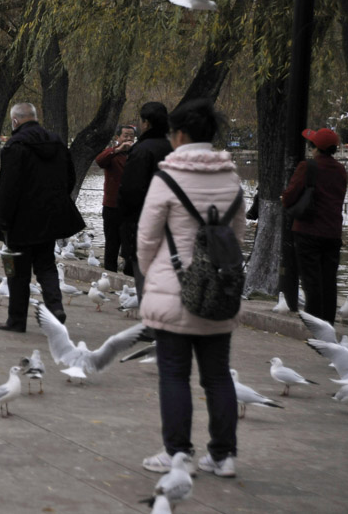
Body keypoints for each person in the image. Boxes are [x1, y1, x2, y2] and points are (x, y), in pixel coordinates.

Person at [137, 98, 243, 478]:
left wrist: (155, 278)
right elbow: (236, 235)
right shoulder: (231, 178)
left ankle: (177, 453)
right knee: (218, 375)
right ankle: (224, 455)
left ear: (179, 134)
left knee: (174, 374)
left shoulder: (167, 178)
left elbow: (146, 239)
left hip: (173, 289)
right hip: (219, 294)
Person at [0, 103, 85, 333]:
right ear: (35, 118)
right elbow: (70, 177)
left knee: (18, 272)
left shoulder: (14, 146)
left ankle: (17, 320)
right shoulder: (56, 142)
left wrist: (3, 222)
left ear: (15, 121)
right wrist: (55, 200)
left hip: (21, 220)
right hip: (49, 218)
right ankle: (55, 308)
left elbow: (8, 188)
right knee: (46, 266)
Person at [282, 127, 347, 323]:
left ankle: (313, 323)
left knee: (311, 281)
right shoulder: (341, 170)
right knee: (329, 281)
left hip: (307, 231)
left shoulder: (307, 167)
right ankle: (327, 323)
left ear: (315, 147)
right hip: (333, 233)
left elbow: (289, 196)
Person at [118, 101, 172, 298]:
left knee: (145, 284)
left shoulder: (141, 150)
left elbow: (131, 191)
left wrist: (124, 221)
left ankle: (151, 324)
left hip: (144, 226)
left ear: (146, 123)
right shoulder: (174, 148)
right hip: (172, 226)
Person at [95, 124, 136, 273]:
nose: (129, 139)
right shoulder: (112, 154)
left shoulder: (137, 154)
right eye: (125, 135)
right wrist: (118, 150)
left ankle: (129, 276)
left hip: (130, 207)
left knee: (131, 244)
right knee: (112, 243)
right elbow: (99, 161)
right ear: (117, 138)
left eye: (131, 136)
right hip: (112, 206)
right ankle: (110, 273)